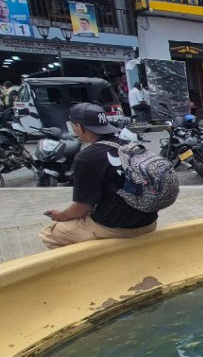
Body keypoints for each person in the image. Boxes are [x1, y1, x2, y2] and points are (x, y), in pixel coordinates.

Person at [39, 103, 158, 249]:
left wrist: (60, 216)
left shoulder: (86, 157)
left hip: (117, 228)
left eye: (73, 126)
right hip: (149, 222)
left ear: (80, 127)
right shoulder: (131, 146)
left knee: (50, 234)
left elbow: (82, 208)